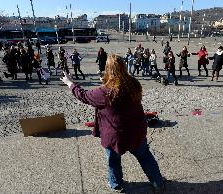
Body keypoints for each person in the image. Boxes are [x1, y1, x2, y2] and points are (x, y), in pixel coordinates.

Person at [60, 54, 166, 193]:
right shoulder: (134, 84)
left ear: (107, 70)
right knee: (145, 156)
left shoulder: (103, 92)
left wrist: (70, 83)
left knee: (114, 161)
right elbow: (118, 90)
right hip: (137, 131)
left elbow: (84, 95)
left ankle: (116, 184)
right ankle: (158, 183)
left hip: (115, 136)